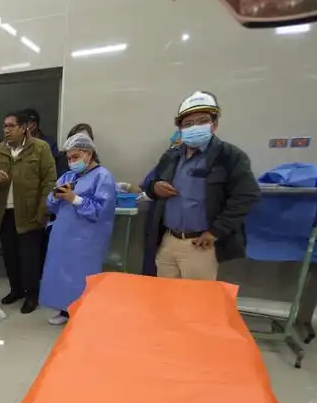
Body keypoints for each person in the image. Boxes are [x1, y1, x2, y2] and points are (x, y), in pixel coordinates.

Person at [142, 91, 261, 280]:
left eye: (202, 121)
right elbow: (148, 183)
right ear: (180, 128)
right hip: (168, 240)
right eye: (188, 124)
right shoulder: (171, 156)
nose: (194, 127)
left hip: (200, 244)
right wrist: (154, 187)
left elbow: (246, 196)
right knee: (164, 299)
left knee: (195, 303)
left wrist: (216, 231)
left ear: (214, 124)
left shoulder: (230, 157)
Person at [0, 111, 57, 314]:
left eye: (11, 126)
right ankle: (16, 290)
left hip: (30, 214)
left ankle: (32, 295)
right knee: (10, 256)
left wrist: (43, 211)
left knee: (29, 258)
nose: (6, 130)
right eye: (4, 126)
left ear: (24, 128)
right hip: (4, 214)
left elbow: (49, 181)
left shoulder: (40, 148)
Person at [40, 133, 117, 324]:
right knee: (61, 275)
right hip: (63, 235)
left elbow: (102, 211)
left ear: (88, 154)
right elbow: (51, 205)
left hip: (87, 239)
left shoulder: (103, 177)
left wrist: (75, 199)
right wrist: (55, 196)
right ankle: (64, 310)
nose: (72, 162)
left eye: (75, 157)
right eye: (69, 158)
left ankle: (83, 314)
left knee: (82, 278)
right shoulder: (68, 176)